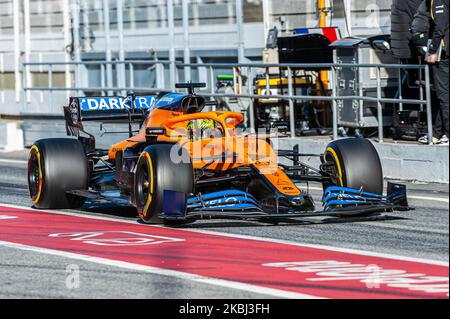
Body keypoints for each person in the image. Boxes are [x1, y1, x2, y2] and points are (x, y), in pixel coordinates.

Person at [419, 0, 449, 144]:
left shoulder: (438, 2)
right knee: (439, 93)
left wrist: (432, 51)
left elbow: (440, 27)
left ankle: (447, 133)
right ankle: (436, 133)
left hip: (442, 54)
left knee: (442, 94)